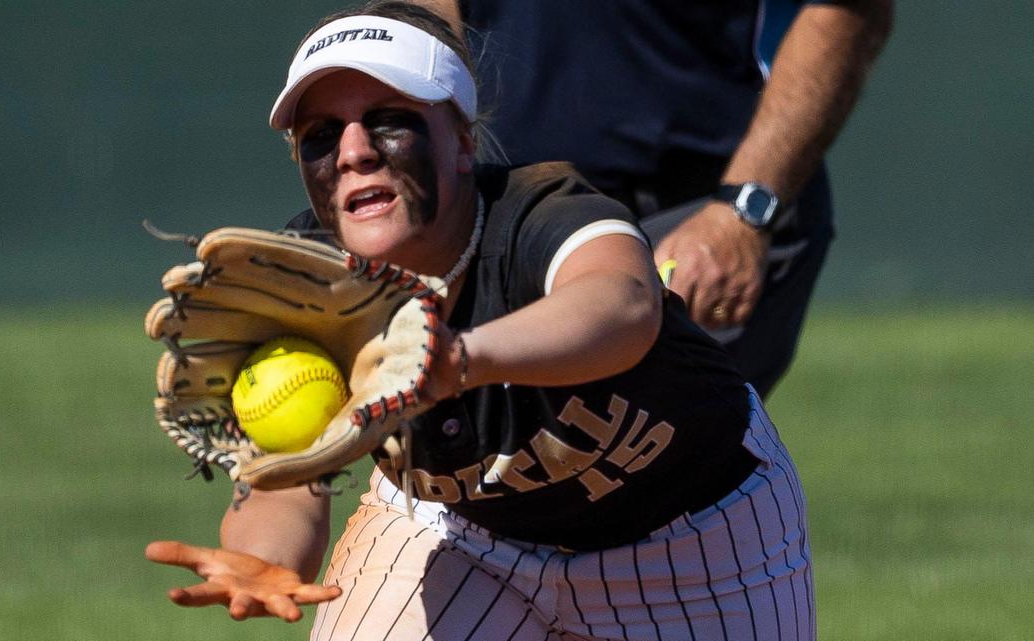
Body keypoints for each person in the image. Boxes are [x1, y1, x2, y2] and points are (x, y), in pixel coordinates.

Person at [146, 2, 815, 639]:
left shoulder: (539, 214)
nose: (353, 151)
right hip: (464, 539)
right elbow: (288, 476)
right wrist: (268, 560)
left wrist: (459, 356)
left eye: (387, 119)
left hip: (694, 540)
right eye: (320, 135)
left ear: (463, 141)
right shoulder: (300, 283)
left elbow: (624, 306)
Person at [418, 0, 894, 397]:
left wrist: (741, 211)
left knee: (639, 475)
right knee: (476, 481)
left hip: (696, 213)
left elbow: (844, 9)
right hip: (506, 209)